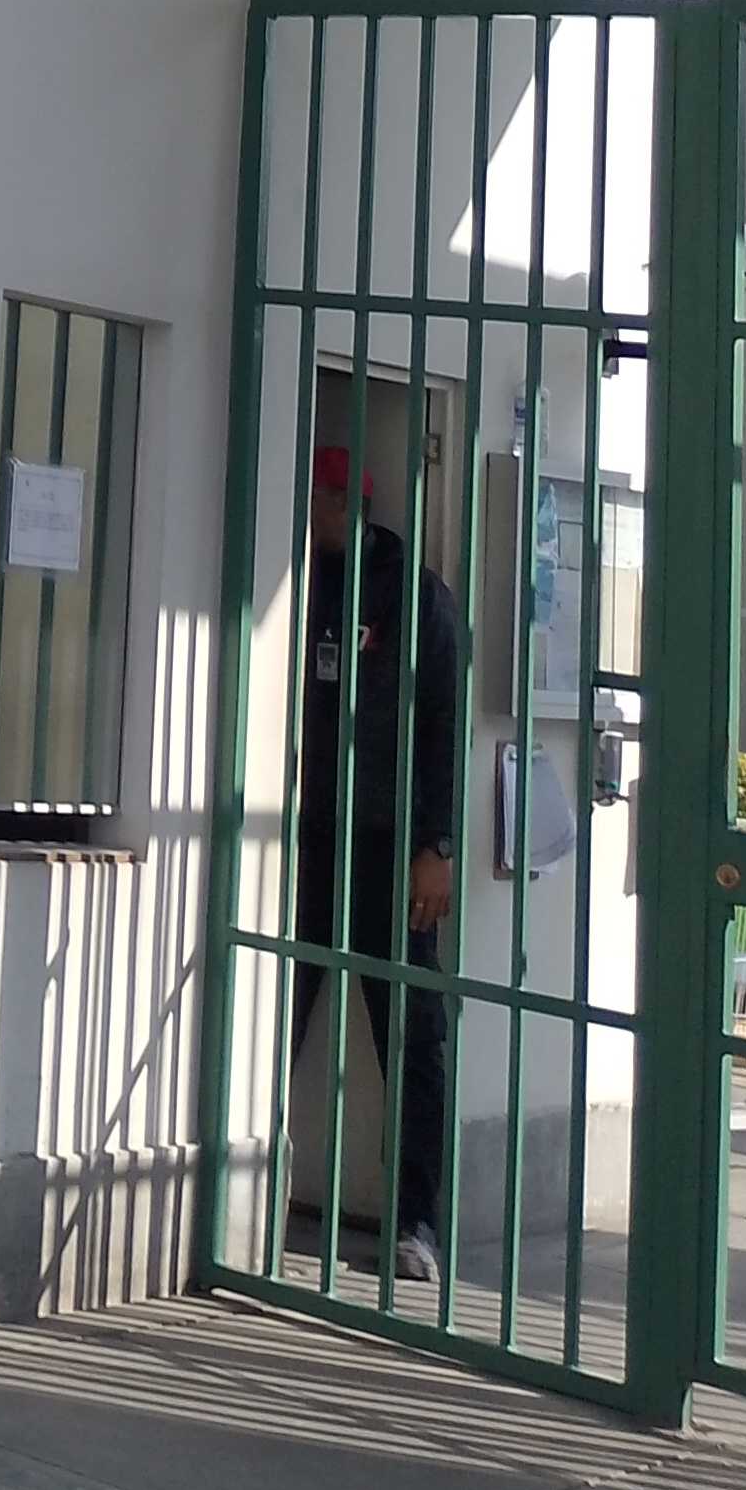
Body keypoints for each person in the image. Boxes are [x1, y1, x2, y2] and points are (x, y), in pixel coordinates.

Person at [290, 440, 461, 1281]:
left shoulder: (415, 597)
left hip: (392, 849)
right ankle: (239, 1187)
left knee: (412, 1032)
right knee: (267, 1006)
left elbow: (444, 725)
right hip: (305, 840)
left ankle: (416, 1222)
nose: (309, 516)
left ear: (346, 506)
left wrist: (439, 846)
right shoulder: (295, 581)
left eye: (318, 501)